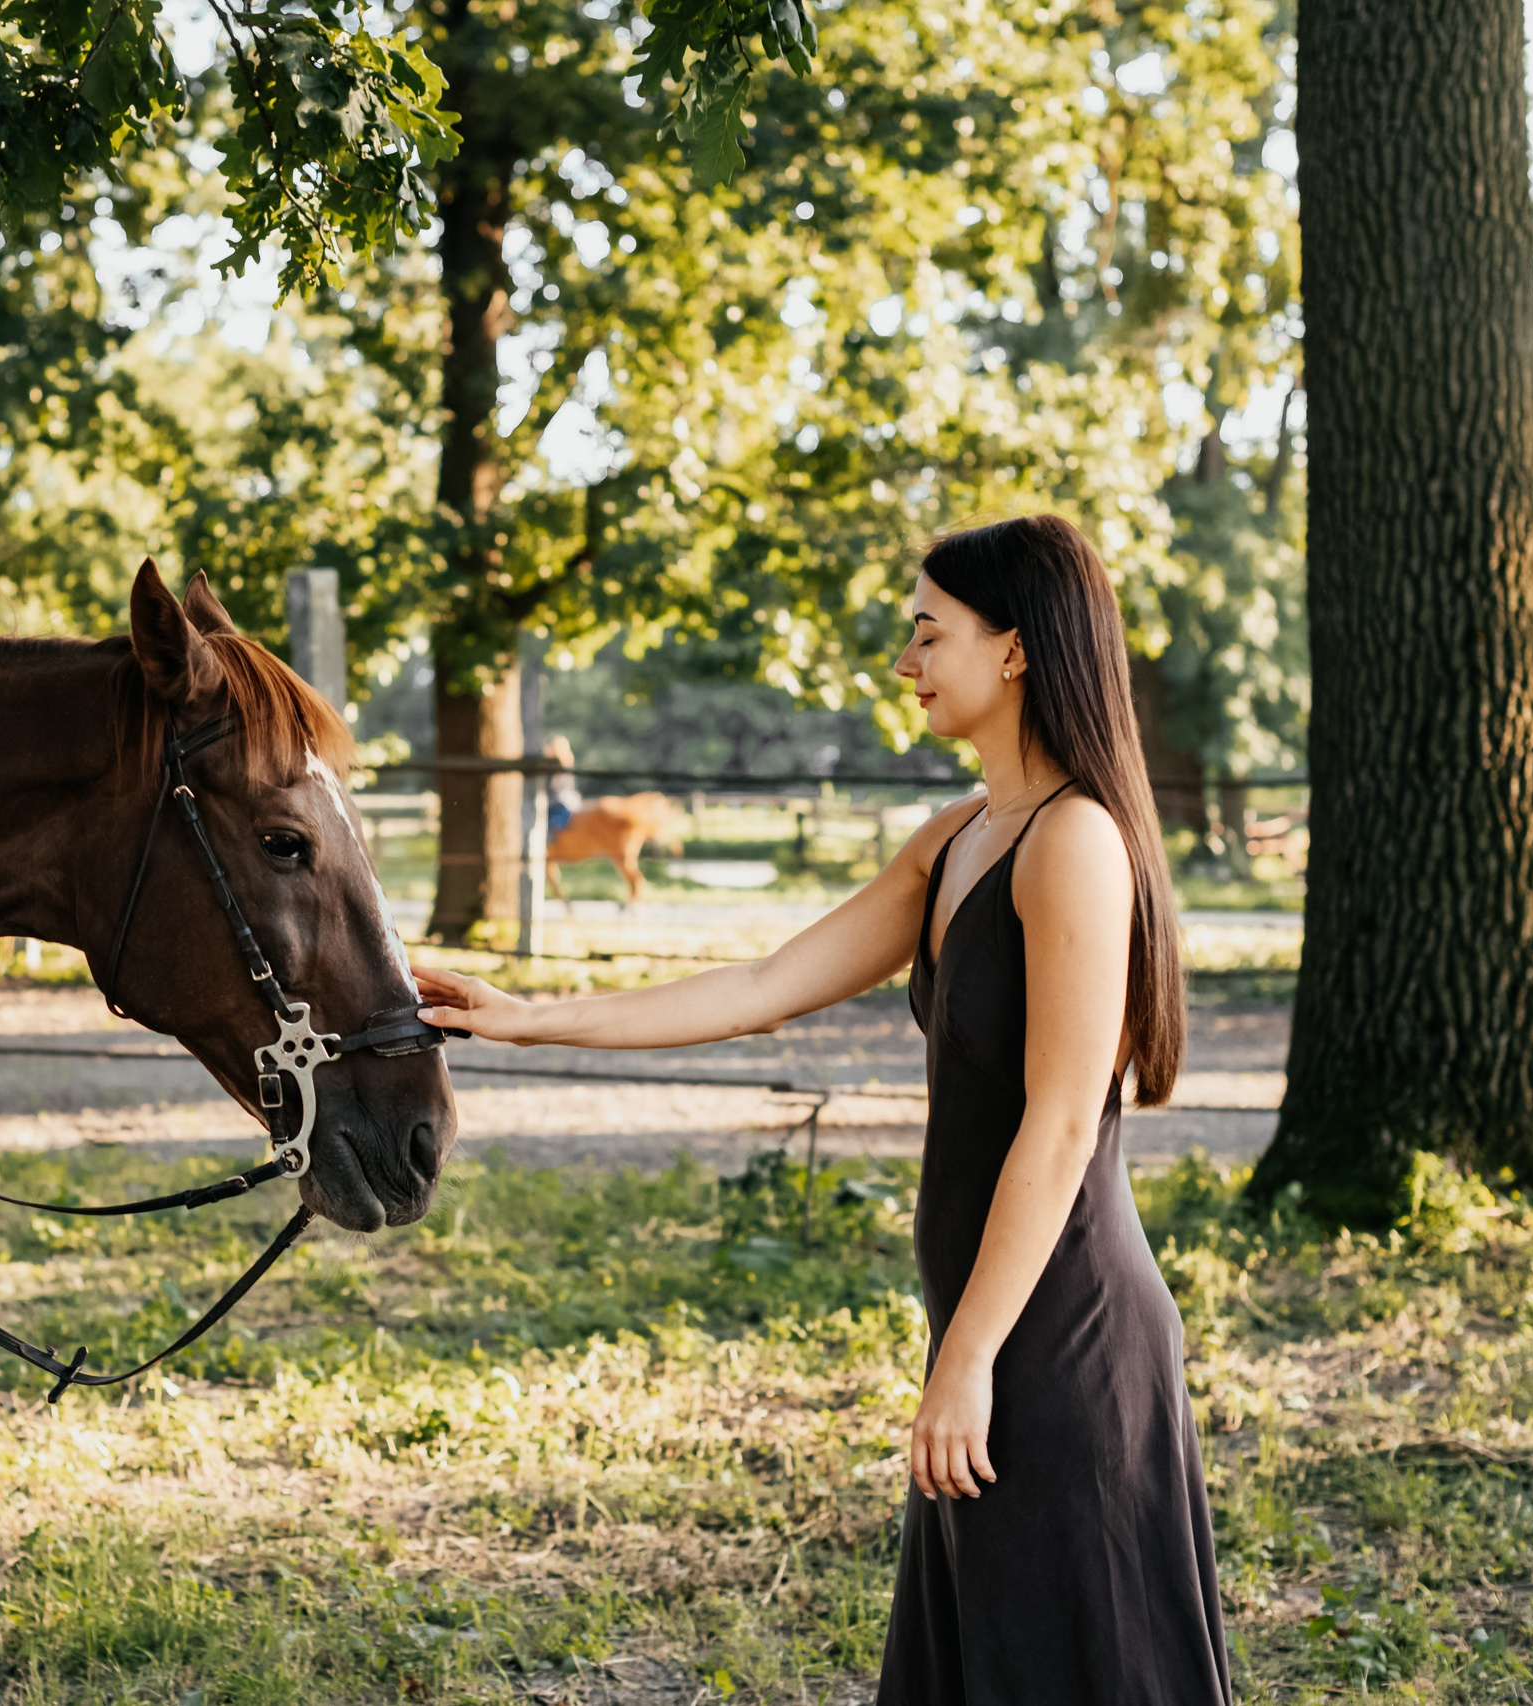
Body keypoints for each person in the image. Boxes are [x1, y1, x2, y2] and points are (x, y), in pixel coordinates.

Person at [413, 515, 1231, 1705]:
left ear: (1013, 648)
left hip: (1060, 1342)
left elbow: (1059, 1126)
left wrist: (968, 1357)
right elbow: (758, 989)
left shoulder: (1076, 845)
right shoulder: (957, 836)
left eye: (926, 630)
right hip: (991, 1328)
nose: (905, 660)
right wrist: (531, 1014)